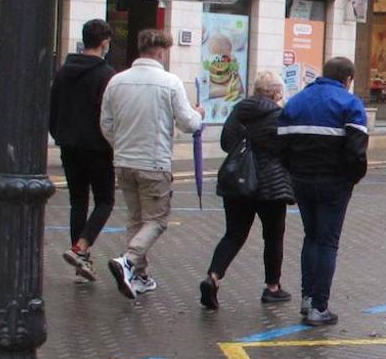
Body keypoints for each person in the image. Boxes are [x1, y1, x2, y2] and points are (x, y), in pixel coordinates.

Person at [100, 29, 204, 300]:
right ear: (161, 52)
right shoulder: (170, 83)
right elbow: (188, 122)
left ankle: (139, 275)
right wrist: (199, 114)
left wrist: (120, 144)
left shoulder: (116, 81)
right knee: (156, 221)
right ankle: (128, 260)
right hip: (154, 161)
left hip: (123, 160)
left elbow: (106, 124)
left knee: (136, 219)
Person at [278, 56, 369, 325]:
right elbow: (356, 150)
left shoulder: (296, 102)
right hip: (334, 183)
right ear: (348, 79)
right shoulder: (350, 104)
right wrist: (352, 177)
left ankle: (307, 299)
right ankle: (320, 307)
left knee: (311, 237)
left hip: (302, 180)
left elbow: (281, 145)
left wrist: (293, 171)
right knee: (328, 242)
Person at [200, 71, 295, 309]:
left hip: (238, 182)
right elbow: (287, 149)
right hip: (270, 185)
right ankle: (272, 287)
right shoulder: (280, 115)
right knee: (273, 236)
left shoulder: (239, 110)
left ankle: (213, 276)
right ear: (276, 92)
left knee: (234, 234)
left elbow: (225, 143)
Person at [48, 19, 116, 282]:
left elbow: (53, 108)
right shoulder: (106, 74)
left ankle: (81, 259)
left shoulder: (64, 71)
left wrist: (60, 135)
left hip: (69, 145)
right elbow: (108, 115)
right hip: (97, 147)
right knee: (105, 200)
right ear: (104, 43)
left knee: (78, 201)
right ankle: (81, 248)